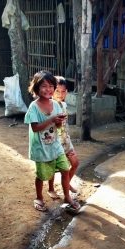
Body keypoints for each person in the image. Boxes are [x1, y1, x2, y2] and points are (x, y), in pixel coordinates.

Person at [24, 70, 80, 212]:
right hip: (41, 147)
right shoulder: (34, 107)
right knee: (41, 175)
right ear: (36, 88)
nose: (48, 89)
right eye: (44, 86)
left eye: (50, 86)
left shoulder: (56, 105)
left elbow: (58, 126)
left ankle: (67, 197)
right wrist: (52, 120)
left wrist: (59, 121)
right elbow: (35, 128)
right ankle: (39, 197)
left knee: (65, 170)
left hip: (55, 145)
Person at [47, 76, 80, 200]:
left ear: (66, 92)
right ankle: (51, 189)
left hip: (66, 141)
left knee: (75, 163)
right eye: (57, 91)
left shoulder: (64, 105)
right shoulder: (50, 106)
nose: (60, 94)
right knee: (53, 168)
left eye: (63, 91)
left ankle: (66, 184)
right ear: (52, 91)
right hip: (55, 143)